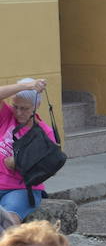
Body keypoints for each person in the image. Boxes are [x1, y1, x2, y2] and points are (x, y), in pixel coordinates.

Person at [0, 80, 56, 220]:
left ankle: (9, 241)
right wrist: (26, 86)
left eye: (24, 108)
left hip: (20, 189)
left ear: (36, 106)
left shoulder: (44, 133)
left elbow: (41, 169)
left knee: (8, 220)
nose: (18, 113)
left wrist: (18, 161)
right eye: (15, 106)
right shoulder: (7, 116)